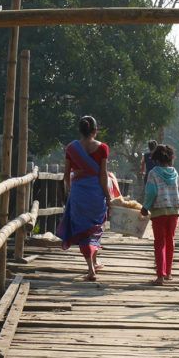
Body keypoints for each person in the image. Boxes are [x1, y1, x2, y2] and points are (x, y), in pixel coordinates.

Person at [57, 115, 111, 281]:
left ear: (80, 131)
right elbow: (103, 175)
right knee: (95, 227)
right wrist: (108, 197)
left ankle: (91, 266)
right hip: (96, 193)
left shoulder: (71, 148)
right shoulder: (103, 148)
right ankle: (92, 267)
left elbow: (66, 175)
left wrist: (69, 191)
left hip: (79, 193)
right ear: (95, 131)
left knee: (83, 229)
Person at [142, 144, 179, 285]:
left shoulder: (153, 173)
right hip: (174, 210)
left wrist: (145, 207)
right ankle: (168, 273)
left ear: (155, 158)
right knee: (170, 241)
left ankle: (160, 276)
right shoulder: (174, 172)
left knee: (159, 243)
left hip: (159, 211)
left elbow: (151, 193)